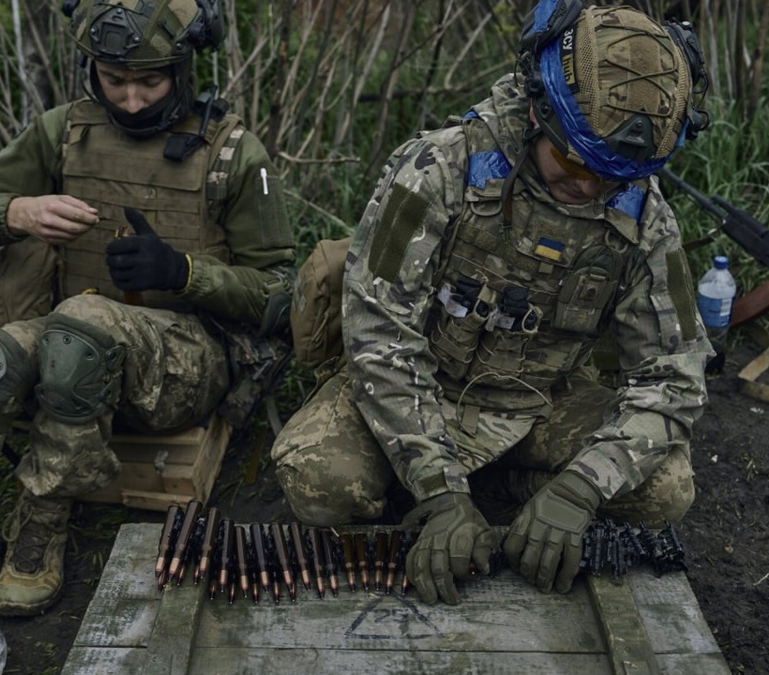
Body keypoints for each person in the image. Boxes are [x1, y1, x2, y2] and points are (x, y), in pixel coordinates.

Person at [0, 1, 294, 672]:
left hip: (186, 364)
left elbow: (281, 294)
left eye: (148, 81)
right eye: (112, 78)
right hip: (74, 344)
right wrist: (16, 210)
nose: (128, 98)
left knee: (82, 325)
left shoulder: (234, 153)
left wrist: (184, 273)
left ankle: (43, 515)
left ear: (181, 68)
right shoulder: (63, 132)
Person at [271, 0, 712, 606]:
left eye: (612, 178)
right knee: (320, 482)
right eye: (573, 163)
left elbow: (675, 376)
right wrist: (438, 488)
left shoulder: (646, 220)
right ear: (538, 111)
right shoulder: (438, 166)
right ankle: (469, 493)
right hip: (423, 385)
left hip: (540, 402)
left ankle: (524, 487)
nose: (588, 188)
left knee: (667, 488)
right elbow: (379, 332)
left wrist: (582, 487)